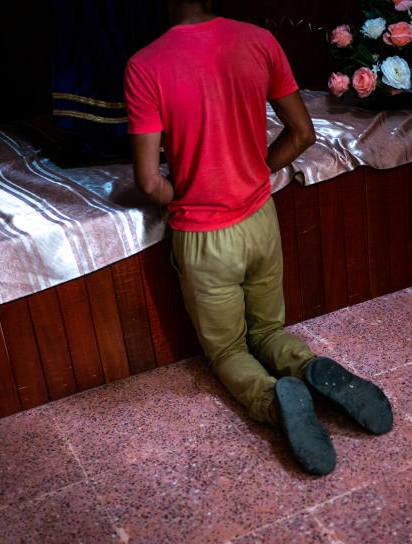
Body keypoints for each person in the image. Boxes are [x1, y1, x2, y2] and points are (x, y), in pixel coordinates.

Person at [124, 0, 392, 475]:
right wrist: (252, 173)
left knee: (228, 352)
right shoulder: (259, 41)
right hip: (261, 220)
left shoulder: (145, 65)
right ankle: (309, 369)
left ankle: (273, 402)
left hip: (207, 240)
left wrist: (186, 194)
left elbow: (148, 181)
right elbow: (302, 134)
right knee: (268, 330)